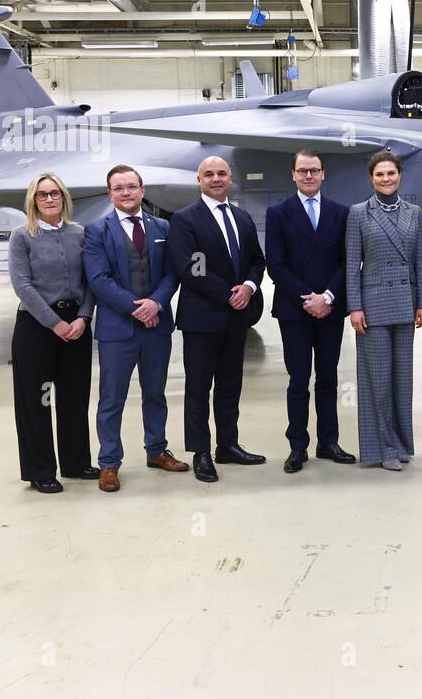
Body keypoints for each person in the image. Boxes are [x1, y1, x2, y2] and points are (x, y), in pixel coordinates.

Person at [82, 165, 188, 493]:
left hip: (157, 327)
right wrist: (137, 309)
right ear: (110, 193)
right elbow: (99, 280)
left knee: (155, 393)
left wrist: (155, 303)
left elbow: (173, 272)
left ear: (143, 190)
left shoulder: (164, 227)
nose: (126, 193)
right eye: (118, 188)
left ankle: (156, 451)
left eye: (131, 187)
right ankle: (109, 463)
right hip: (118, 330)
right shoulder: (96, 231)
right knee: (111, 398)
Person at [166, 155, 268, 483]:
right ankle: (201, 452)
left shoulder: (241, 217)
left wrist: (250, 286)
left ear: (230, 178)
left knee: (229, 385)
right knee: (198, 388)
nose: (215, 179)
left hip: (236, 319)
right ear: (199, 181)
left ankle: (228, 445)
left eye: (221, 173)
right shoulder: (185, 219)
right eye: (208, 174)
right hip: (202, 318)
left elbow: (256, 259)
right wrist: (229, 294)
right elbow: (190, 267)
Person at [265, 150, 356, 474]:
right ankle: (297, 446)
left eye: (313, 170)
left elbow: (347, 260)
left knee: (328, 378)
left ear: (323, 174)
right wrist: (309, 299)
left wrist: (327, 297)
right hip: (295, 311)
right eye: (302, 171)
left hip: (329, 310)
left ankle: (328, 442)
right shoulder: (277, 213)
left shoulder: (340, 213)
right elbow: (276, 264)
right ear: (293, 175)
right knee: (298, 380)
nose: (308, 176)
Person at [8, 173, 98, 493]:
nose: (48, 199)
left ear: (64, 198)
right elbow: (22, 285)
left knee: (74, 398)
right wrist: (54, 323)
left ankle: (76, 462)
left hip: (76, 325)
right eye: (42, 194)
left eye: (54, 193)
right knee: (38, 401)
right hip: (37, 327)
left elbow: (90, 281)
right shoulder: (22, 236)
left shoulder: (80, 234)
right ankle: (40, 469)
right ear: (33, 200)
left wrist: (83, 317)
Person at [345, 151, 422, 471]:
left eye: (391, 173)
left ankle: (401, 442)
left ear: (399, 176)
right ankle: (383, 447)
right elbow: (353, 265)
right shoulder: (358, 214)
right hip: (374, 305)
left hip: (406, 304)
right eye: (379, 175)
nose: (386, 179)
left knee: (402, 380)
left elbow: (420, 261)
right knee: (377, 381)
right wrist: (355, 307)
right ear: (371, 178)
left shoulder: (412, 212)